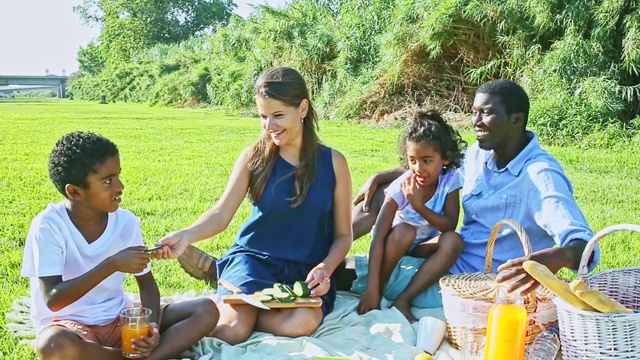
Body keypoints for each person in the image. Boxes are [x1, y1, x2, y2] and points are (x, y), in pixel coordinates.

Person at [346, 79, 599, 305]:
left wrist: (557, 257)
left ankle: (324, 271)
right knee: (378, 196)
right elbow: (433, 167)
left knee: (349, 276)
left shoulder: (540, 176)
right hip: (440, 261)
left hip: (476, 287)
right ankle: (327, 249)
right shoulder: (479, 156)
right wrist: (380, 177)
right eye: (474, 112)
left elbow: (584, 247)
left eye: (486, 113)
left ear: (516, 120)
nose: (476, 121)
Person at [153, 67, 353, 344]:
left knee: (304, 322)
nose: (269, 126)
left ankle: (234, 294)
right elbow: (221, 213)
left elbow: (344, 235)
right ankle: (229, 302)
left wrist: (325, 268)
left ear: (303, 108)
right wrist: (186, 235)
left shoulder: (334, 163)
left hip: (304, 272)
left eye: (278, 115)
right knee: (233, 330)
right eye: (263, 117)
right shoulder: (254, 157)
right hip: (254, 261)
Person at [22, 131, 219, 360]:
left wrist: (152, 328)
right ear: (74, 191)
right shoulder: (49, 226)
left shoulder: (126, 222)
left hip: (120, 319)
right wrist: (112, 265)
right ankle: (137, 356)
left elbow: (147, 285)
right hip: (70, 326)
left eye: (118, 176)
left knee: (205, 310)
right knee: (53, 346)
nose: (120, 186)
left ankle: (143, 355)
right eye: (108, 181)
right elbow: (54, 299)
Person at [356, 110, 466, 322]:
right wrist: (371, 288)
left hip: (423, 246)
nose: (418, 168)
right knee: (404, 230)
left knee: (454, 241)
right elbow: (378, 235)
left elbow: (449, 225)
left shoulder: (449, 181)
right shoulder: (400, 187)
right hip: (396, 243)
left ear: (445, 158)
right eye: (412, 160)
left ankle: (404, 300)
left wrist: (418, 204)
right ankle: (379, 289)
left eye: (427, 161)